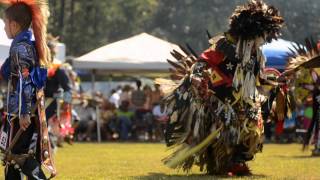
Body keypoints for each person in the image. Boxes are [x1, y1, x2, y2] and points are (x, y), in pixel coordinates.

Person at [160, 0, 284, 175]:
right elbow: (204, 60)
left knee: (250, 131)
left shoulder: (256, 53)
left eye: (267, 34)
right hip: (221, 99)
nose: (265, 38)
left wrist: (274, 81)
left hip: (245, 100)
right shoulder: (226, 45)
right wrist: (196, 74)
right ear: (252, 30)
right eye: (263, 34)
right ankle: (221, 164)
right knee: (224, 132)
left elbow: (257, 78)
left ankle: (237, 162)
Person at [0, 0, 56, 179]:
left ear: (14, 25)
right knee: (13, 157)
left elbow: (25, 81)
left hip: (20, 113)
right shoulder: (24, 44)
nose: (3, 28)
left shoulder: (21, 48)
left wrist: (24, 112)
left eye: (5, 24)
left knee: (17, 156)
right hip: (20, 111)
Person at [45, 34, 74, 148]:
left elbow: (67, 87)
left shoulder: (58, 68)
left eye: (50, 51)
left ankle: (49, 149)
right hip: (37, 101)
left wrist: (66, 102)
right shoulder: (39, 66)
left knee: (46, 126)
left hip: (51, 103)